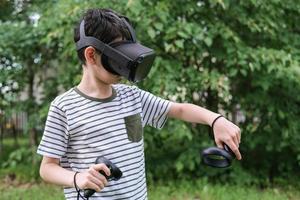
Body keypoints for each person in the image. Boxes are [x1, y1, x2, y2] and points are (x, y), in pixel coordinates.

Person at [37, 8, 242, 200]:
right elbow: (47, 168)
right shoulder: (64, 107)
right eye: (118, 59)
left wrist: (216, 120)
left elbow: (179, 109)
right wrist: (78, 178)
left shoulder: (132, 96)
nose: (125, 68)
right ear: (91, 55)